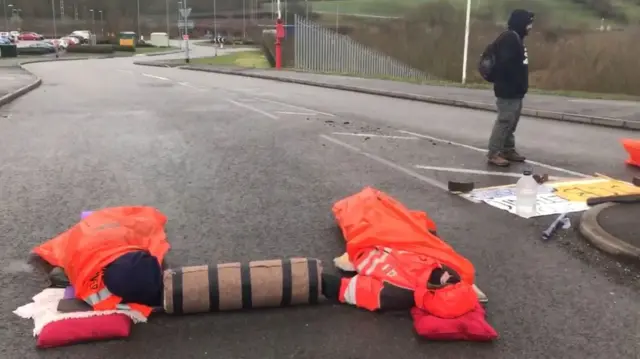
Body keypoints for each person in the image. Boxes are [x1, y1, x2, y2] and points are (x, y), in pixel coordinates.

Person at [487, 9, 535, 167]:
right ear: (521, 23)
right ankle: (494, 153)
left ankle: (508, 149)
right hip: (508, 90)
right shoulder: (509, 38)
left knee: (511, 122)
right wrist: (512, 83)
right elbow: (505, 65)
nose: (531, 27)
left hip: (516, 90)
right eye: (529, 23)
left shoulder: (516, 38)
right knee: (504, 121)